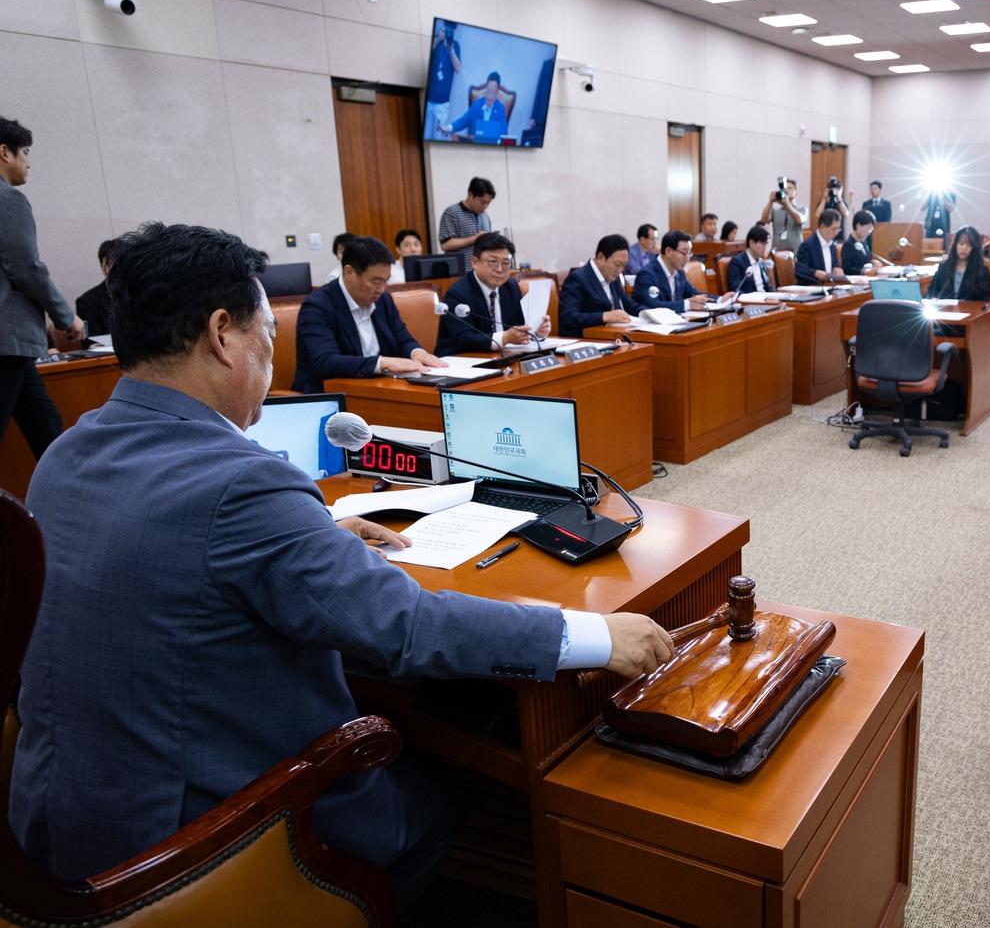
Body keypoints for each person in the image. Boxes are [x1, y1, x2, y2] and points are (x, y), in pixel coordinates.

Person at [9, 220, 673, 912]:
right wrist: (594, 635)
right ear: (221, 334)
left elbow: (162, 543)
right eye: (268, 333)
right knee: (450, 788)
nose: (272, 354)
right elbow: (408, 629)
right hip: (183, 847)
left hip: (56, 815)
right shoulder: (243, 486)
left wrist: (315, 528)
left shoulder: (66, 453)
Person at [0, 117, 83, 461]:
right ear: (5, 152)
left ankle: (70, 500)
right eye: (26, 152)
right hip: (7, 341)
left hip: (14, 348)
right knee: (47, 433)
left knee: (48, 430)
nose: (29, 161)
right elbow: (26, 268)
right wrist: (66, 317)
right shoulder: (9, 200)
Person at [293, 235, 447, 393]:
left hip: (380, 388)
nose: (381, 288)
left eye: (386, 281)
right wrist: (382, 363)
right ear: (349, 272)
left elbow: (402, 338)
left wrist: (416, 352)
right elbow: (326, 361)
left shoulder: (383, 299)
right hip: (332, 395)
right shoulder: (318, 306)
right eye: (375, 281)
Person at [436, 231, 549, 354]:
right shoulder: (458, 293)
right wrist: (504, 338)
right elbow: (463, 338)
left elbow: (520, 326)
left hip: (504, 358)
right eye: (493, 262)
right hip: (463, 361)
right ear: (474, 262)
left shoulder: (510, 287)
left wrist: (536, 331)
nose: (500, 269)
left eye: (505, 263)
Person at [559, 234, 637, 337]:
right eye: (617, 264)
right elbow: (568, 316)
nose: (620, 270)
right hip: (585, 340)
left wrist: (649, 313)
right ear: (601, 257)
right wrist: (604, 316)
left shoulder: (613, 277)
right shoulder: (578, 278)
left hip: (611, 337)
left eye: (623, 266)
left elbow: (629, 305)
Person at [632, 230, 708, 313]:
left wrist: (720, 299)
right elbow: (652, 305)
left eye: (689, 253)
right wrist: (687, 304)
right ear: (668, 252)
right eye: (684, 253)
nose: (687, 258)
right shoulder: (647, 275)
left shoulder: (679, 272)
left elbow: (694, 294)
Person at [440, 70, 509, 143]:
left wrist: (489, 134)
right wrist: (448, 128)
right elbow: (462, 122)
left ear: (497, 91)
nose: (490, 95)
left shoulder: (500, 109)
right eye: (488, 90)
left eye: (493, 91)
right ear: (486, 88)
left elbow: (504, 132)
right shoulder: (477, 105)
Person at [438, 177, 495, 262]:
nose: (485, 206)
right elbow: (445, 245)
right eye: (482, 202)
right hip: (461, 271)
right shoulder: (452, 213)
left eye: (488, 203)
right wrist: (475, 238)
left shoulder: (485, 216)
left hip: (482, 270)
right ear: (470, 194)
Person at [422, 20, 461, 140]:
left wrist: (451, 50)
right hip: (429, 99)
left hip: (443, 103)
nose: (448, 32)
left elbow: (458, 68)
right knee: (426, 134)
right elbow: (425, 55)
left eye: (451, 30)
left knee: (438, 137)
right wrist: (438, 38)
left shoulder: (455, 45)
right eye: (446, 29)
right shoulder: (436, 43)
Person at [929, 226, 990, 301]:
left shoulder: (982, 271)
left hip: (971, 311)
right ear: (955, 245)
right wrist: (933, 298)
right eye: (961, 244)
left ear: (975, 248)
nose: (964, 248)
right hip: (944, 310)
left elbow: (985, 300)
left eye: (969, 245)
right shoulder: (943, 267)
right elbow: (932, 291)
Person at [75, 238, 120, 336]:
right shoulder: (87, 302)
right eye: (111, 263)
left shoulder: (145, 293)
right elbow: (89, 340)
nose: (119, 267)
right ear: (102, 266)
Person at [795, 209, 846, 285]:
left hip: (829, 286)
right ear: (822, 227)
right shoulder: (807, 245)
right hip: (812, 287)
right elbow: (799, 269)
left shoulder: (832, 244)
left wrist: (837, 269)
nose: (836, 232)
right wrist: (815, 273)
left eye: (838, 229)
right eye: (834, 229)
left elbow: (834, 265)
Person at [759, 178, 808, 252]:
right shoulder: (776, 211)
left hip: (796, 251)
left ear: (796, 192)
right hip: (777, 251)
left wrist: (786, 204)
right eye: (785, 189)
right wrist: (770, 202)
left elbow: (799, 220)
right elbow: (764, 220)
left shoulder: (802, 209)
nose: (787, 190)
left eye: (790, 188)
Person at [728, 225, 774, 295]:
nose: (765, 248)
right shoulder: (737, 262)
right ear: (751, 243)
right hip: (751, 302)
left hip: (766, 299)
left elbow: (768, 287)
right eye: (762, 244)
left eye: (766, 244)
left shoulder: (761, 262)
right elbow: (736, 289)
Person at [841, 210, 877, 277]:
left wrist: (873, 263)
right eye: (868, 228)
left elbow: (865, 261)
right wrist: (864, 271)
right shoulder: (848, 244)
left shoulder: (864, 242)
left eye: (871, 229)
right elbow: (847, 269)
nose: (870, 232)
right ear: (858, 226)